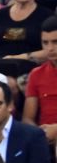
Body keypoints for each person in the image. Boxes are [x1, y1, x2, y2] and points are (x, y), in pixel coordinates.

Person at [23, 15, 57, 143]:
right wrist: (40, 133)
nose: (50, 48)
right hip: (43, 139)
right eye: (45, 42)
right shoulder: (36, 74)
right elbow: (27, 118)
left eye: (55, 42)